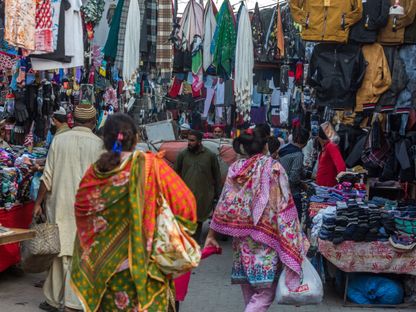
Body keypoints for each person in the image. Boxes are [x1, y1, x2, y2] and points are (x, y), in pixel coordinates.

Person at [71, 113, 197, 311]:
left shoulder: (94, 172)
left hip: (105, 270)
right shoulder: (151, 166)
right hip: (145, 268)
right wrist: (170, 228)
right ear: (136, 138)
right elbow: (186, 204)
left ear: (105, 140)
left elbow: (81, 210)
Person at [204, 128, 306, 312]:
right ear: (266, 145)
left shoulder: (236, 168)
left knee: (251, 293)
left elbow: (224, 202)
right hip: (266, 239)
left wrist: (211, 234)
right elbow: (284, 203)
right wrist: (292, 236)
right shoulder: (273, 167)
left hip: (241, 239)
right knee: (265, 293)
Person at [34, 105, 104, 312]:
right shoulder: (99, 144)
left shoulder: (60, 140)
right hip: (87, 209)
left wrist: (38, 203)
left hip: (61, 204)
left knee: (60, 251)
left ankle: (54, 299)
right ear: (93, 121)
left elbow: (47, 177)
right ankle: (73, 301)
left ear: (73, 120)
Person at [175, 130, 222, 244]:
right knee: (186, 217)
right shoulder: (183, 155)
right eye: (188, 140)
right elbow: (175, 174)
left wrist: (218, 194)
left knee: (199, 217)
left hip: (204, 194)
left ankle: (195, 241)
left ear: (199, 141)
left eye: (192, 140)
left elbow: (216, 176)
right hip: (186, 193)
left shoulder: (210, 156)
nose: (189, 143)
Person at [278, 128, 310, 218]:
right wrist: (303, 185)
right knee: (295, 220)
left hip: (281, 189)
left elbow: (298, 170)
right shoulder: (298, 154)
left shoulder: (284, 148)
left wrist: (310, 174)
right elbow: (294, 177)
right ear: (306, 141)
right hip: (292, 193)